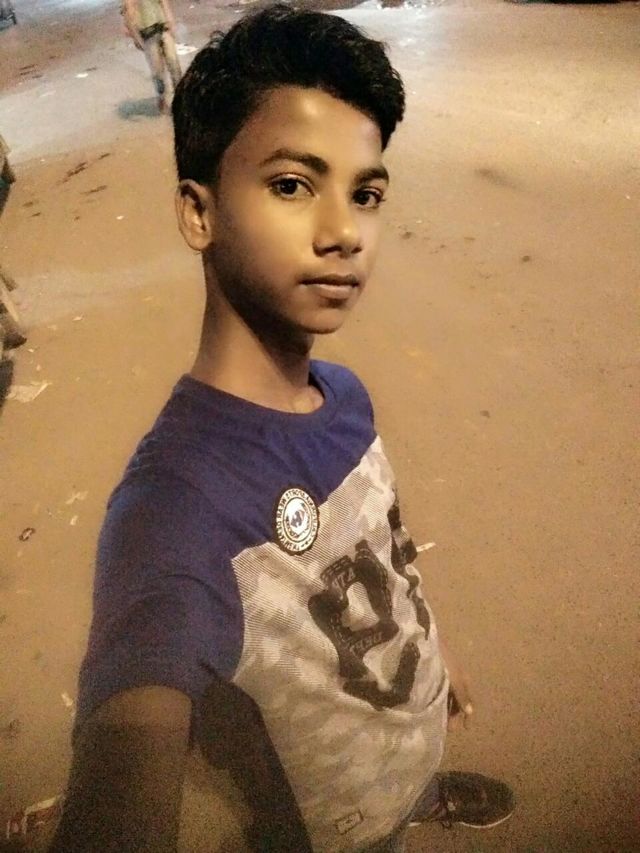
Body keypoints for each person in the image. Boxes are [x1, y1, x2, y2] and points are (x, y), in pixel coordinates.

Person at [49, 6, 515, 851]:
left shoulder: (346, 397)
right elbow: (128, 747)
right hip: (332, 829)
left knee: (409, 767)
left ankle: (421, 785)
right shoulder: (174, 509)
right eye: (293, 185)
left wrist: (425, 656)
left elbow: (385, 556)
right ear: (198, 212)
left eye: (365, 194)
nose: (345, 234)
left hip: (400, 729)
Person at [121, 0, 181, 112]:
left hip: (163, 27)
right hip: (147, 33)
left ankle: (180, 98)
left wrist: (171, 22)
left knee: (174, 64)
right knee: (157, 71)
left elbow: (164, 3)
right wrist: (137, 39)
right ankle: (161, 97)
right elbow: (128, 14)